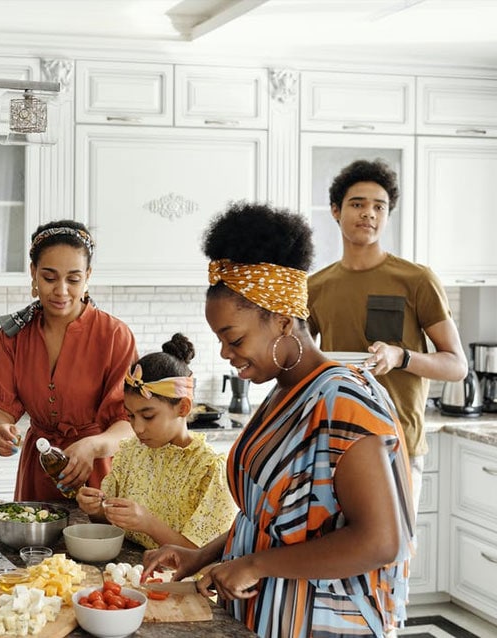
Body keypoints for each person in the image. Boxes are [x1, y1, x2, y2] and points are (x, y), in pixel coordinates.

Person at [144, 202, 414, 637]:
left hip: (325, 622)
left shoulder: (344, 401)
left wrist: (254, 564)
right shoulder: (283, 392)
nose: (225, 353)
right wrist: (207, 555)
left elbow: (383, 540)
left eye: (233, 338)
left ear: (284, 322)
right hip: (267, 616)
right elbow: (269, 515)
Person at [308, 158, 467, 512]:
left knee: (393, 559)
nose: (369, 213)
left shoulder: (416, 280)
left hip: (396, 442)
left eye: (379, 206)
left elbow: (457, 366)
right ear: (335, 211)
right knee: (334, 560)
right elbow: (301, 361)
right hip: (335, 441)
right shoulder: (316, 287)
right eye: (357, 204)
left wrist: (401, 356)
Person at [0, 220, 137, 501]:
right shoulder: (13, 337)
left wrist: (92, 446)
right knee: (34, 545)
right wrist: (0, 429)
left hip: (99, 472)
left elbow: (128, 423)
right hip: (38, 469)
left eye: (73, 279)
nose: (61, 290)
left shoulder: (115, 336)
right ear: (33, 273)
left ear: (88, 276)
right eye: (49, 277)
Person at [76, 334, 236, 550]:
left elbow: (202, 556)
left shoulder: (209, 470)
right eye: (130, 416)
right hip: (130, 572)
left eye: (148, 416)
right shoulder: (131, 452)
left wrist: (148, 524)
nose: (137, 428)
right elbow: (111, 524)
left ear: (183, 408)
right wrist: (96, 510)